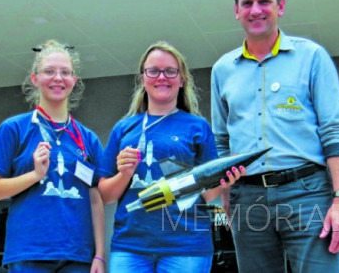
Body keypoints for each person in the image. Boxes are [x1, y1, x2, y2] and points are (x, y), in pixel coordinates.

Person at [210, 0, 339, 273]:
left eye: (264, 1)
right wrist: (227, 200)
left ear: (281, 6)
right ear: (236, 10)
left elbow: (335, 132)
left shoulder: (312, 57)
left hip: (307, 192)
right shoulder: (222, 70)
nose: (256, 9)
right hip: (247, 198)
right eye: (247, 2)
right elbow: (222, 141)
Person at [98, 41, 244, 272]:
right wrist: (124, 174)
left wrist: (225, 182)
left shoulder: (197, 126)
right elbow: (105, 196)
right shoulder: (123, 129)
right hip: (130, 248)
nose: (161, 77)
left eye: (170, 71)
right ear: (143, 78)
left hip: (186, 246)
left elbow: (209, 194)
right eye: (153, 71)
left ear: (182, 78)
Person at [0, 40, 106, 273]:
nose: (58, 78)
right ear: (34, 78)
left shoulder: (87, 138)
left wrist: (99, 254)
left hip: (77, 255)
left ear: (74, 81)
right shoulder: (14, 129)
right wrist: (35, 175)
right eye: (49, 71)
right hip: (29, 252)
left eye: (65, 72)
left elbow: (95, 198)